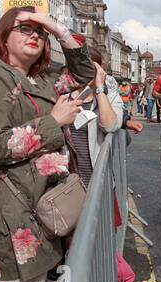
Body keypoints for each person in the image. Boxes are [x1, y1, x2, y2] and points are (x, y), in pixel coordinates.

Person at [0, 6, 94, 282]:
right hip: (15, 214)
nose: (35, 35)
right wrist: (53, 122)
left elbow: (85, 73)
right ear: (3, 34)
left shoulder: (41, 79)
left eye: (40, 32)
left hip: (40, 207)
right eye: (25, 29)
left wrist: (58, 28)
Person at [66, 47, 124, 187]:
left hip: (98, 181)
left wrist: (99, 87)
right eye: (79, 66)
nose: (84, 72)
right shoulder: (63, 98)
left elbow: (110, 126)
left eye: (89, 66)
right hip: (68, 185)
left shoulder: (110, 98)